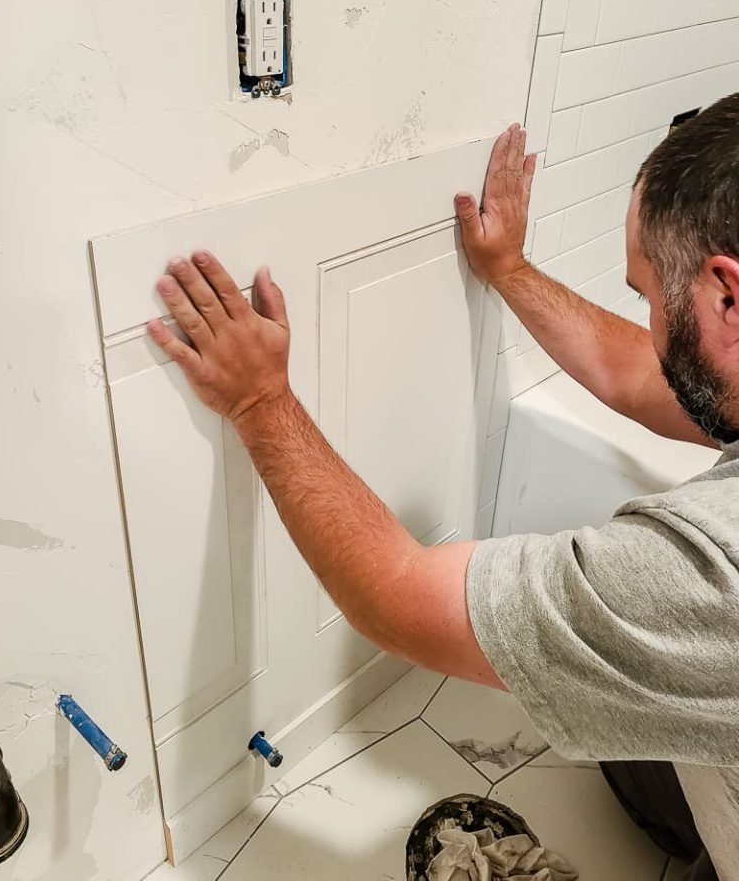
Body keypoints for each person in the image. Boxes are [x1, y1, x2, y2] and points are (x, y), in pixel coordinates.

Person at [147, 93, 739, 881]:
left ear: (728, 294)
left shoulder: (714, 568)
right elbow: (654, 375)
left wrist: (261, 401)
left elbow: (396, 597)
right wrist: (511, 270)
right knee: (640, 740)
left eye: (648, 297)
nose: (650, 325)